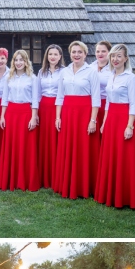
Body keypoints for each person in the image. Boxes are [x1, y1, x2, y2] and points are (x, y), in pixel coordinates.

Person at [95, 43, 135, 209]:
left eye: (119, 56)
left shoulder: (131, 78)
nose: (115, 59)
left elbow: (133, 104)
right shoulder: (110, 76)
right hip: (111, 119)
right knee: (110, 155)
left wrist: (130, 126)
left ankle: (126, 196)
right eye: (113, 56)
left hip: (124, 118)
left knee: (124, 156)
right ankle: (109, 192)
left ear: (126, 58)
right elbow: (107, 101)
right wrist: (104, 122)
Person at [54, 41, 102, 199]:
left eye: (79, 52)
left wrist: (93, 120)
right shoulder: (65, 71)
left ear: (85, 53)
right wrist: (58, 117)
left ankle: (85, 185)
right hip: (67, 113)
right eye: (73, 51)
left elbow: (96, 98)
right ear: (70, 53)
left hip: (84, 113)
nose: (76, 54)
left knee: (84, 148)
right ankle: (66, 183)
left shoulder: (92, 72)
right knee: (68, 147)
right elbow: (60, 96)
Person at [0, 49, 41, 192]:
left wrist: (34, 117)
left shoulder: (32, 78)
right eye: (16, 60)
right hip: (11, 113)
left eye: (21, 60)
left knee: (26, 146)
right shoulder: (8, 78)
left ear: (26, 61)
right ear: (13, 62)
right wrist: (2, 116)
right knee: (11, 145)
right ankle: (11, 179)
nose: (19, 62)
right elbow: (4, 98)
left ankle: (25, 180)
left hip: (25, 113)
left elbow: (35, 99)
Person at [37, 44, 65, 189]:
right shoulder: (41, 72)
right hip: (44, 107)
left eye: (55, 54)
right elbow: (36, 93)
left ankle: (56, 175)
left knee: (57, 139)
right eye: (50, 54)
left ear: (60, 56)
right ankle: (44, 175)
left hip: (58, 107)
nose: (52, 57)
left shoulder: (65, 72)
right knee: (44, 140)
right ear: (46, 56)